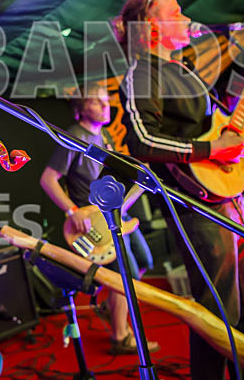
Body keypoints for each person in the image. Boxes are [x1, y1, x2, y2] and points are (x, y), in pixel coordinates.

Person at [114, 0, 244, 379]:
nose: (187, 19)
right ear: (151, 27)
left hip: (230, 197)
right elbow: (142, 141)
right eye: (176, 12)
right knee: (220, 308)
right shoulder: (142, 72)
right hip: (198, 206)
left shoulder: (183, 71)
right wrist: (208, 148)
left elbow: (221, 120)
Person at [39, 84, 158, 354]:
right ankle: (120, 336)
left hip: (117, 215)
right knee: (122, 277)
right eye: (96, 102)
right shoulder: (75, 136)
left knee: (143, 263)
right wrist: (73, 210)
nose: (105, 106)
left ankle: (109, 308)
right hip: (96, 224)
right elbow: (48, 179)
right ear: (80, 109)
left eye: (106, 101)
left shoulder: (104, 136)